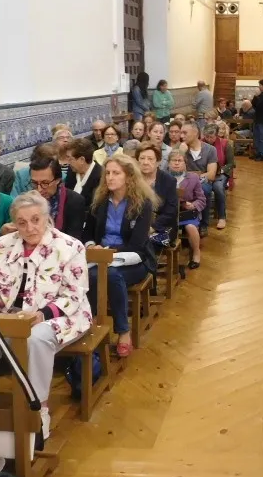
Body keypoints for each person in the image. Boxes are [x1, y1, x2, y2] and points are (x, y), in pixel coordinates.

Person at [0, 190, 92, 467]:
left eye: (36, 220)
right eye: (22, 222)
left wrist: (41, 315)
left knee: (35, 339)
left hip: (58, 315)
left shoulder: (70, 246)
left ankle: (37, 407)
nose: (29, 227)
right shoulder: (3, 245)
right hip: (11, 315)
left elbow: (74, 295)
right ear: (14, 223)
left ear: (47, 218)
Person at [83, 154, 156, 357]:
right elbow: (87, 233)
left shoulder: (142, 204)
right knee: (93, 275)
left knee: (111, 275)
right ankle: (93, 323)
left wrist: (107, 252)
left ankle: (122, 331)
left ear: (129, 176)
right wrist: (92, 246)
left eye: (116, 173)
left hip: (133, 259)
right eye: (107, 173)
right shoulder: (100, 201)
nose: (110, 177)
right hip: (100, 259)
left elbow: (137, 245)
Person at [3, 153, 86, 241]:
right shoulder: (26, 202)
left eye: (45, 183)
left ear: (58, 180)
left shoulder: (74, 201)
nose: (39, 189)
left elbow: (73, 240)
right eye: (34, 183)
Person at [166, 150, 205, 269]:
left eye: (180, 161)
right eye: (174, 160)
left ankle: (196, 253)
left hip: (186, 213)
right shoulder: (163, 177)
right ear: (168, 163)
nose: (177, 163)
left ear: (185, 163)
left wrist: (193, 205)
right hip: (168, 213)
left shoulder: (193, 178)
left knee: (191, 227)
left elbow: (201, 199)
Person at [182, 121, 218, 236]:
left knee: (204, 189)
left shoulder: (210, 149)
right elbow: (176, 171)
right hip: (185, 181)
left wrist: (194, 176)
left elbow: (211, 174)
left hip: (203, 182)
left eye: (185, 133)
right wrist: (181, 153)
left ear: (195, 133)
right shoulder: (181, 148)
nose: (182, 136)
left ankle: (203, 224)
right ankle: (184, 221)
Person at [136, 144, 178, 244]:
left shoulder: (169, 180)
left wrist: (153, 227)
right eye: (142, 158)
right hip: (136, 225)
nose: (145, 162)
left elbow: (171, 211)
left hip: (162, 226)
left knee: (146, 243)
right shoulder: (132, 179)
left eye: (150, 159)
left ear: (158, 162)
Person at [204, 122, 233, 229]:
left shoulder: (225, 144)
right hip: (205, 173)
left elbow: (231, 163)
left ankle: (222, 217)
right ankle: (202, 218)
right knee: (202, 188)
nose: (208, 139)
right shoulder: (201, 143)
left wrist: (221, 170)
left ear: (216, 135)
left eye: (211, 137)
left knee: (218, 188)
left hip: (220, 173)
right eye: (206, 137)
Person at [64, 137, 102, 209]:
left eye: (70, 159)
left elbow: (95, 207)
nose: (68, 162)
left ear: (82, 160)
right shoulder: (71, 170)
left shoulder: (100, 176)